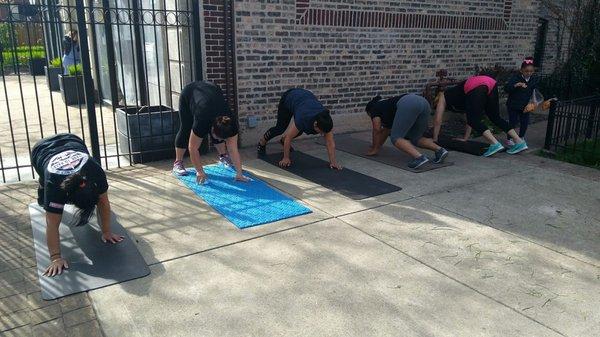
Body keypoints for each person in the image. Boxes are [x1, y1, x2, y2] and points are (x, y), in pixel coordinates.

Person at [31, 133, 123, 277]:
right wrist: (55, 257)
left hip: (72, 140)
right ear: (68, 198)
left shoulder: (95, 171)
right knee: (48, 203)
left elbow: (103, 202)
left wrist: (106, 231)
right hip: (41, 150)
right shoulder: (54, 185)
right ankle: (42, 190)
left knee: (99, 200)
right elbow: (52, 223)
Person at [172, 81, 248, 184]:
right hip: (190, 93)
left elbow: (233, 149)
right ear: (211, 128)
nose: (220, 140)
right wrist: (199, 171)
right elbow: (193, 148)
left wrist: (239, 174)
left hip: (212, 91)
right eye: (218, 138)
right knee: (185, 128)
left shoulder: (232, 123)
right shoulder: (202, 119)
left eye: (223, 139)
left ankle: (223, 156)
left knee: (219, 136)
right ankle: (178, 162)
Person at [433, 75, 528, 157]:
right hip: (491, 82)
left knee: (474, 120)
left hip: (476, 85)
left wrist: (435, 139)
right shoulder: (459, 98)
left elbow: (437, 119)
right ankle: (519, 141)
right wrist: (465, 138)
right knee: (495, 117)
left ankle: (495, 144)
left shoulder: (443, 96)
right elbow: (469, 118)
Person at [257, 88, 342, 169]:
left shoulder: (325, 121)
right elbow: (288, 138)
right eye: (321, 132)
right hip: (289, 98)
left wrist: (333, 162)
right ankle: (262, 143)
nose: (323, 134)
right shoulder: (303, 118)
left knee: (299, 131)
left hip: (304, 100)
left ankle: (282, 141)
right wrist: (286, 158)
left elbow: (330, 142)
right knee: (280, 128)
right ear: (316, 124)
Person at [366, 93, 449, 169]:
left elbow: (377, 129)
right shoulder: (387, 107)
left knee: (396, 137)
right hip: (424, 103)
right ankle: (440, 150)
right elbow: (386, 131)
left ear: (369, 111)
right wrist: (378, 146)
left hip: (409, 104)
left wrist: (374, 149)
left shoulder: (374, 108)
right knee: (416, 137)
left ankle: (419, 157)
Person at [504, 57, 539, 146]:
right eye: (527, 71)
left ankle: (521, 137)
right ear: (521, 70)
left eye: (531, 71)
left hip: (525, 105)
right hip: (513, 105)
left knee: (524, 122)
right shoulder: (516, 78)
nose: (529, 73)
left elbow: (534, 90)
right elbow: (507, 89)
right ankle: (509, 138)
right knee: (513, 122)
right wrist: (516, 85)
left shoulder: (533, 79)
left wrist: (535, 101)